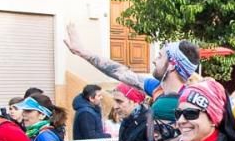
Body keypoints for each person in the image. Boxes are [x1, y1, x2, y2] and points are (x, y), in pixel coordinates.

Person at [63, 22, 200, 100]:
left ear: (172, 65)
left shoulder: (190, 100)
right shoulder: (156, 88)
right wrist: (83, 53)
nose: (153, 61)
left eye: (159, 56)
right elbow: (120, 72)